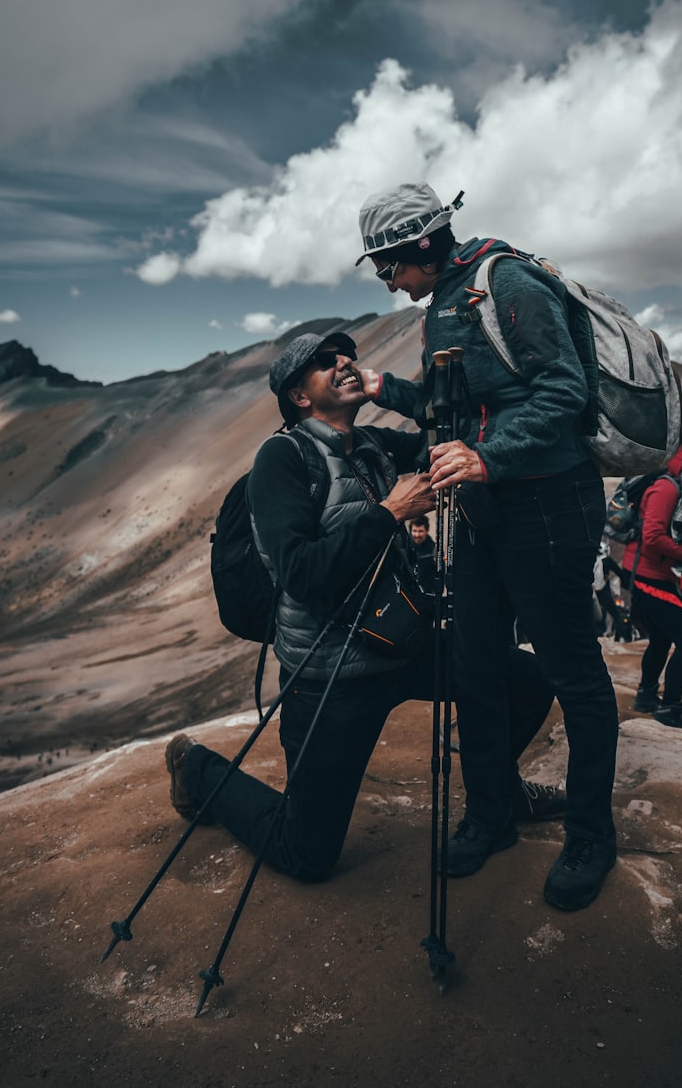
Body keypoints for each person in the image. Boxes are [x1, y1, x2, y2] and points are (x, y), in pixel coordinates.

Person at [165, 331, 561, 883]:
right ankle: (197, 768)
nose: (344, 361)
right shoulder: (281, 458)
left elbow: (448, 437)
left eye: (346, 355)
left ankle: (498, 792)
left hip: (401, 643)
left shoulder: (371, 443)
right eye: (325, 362)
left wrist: (410, 390)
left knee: (528, 681)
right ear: (299, 396)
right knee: (307, 854)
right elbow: (302, 574)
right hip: (331, 672)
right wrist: (391, 511)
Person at [355, 183, 618, 912]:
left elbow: (563, 391)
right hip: (481, 509)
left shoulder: (508, 282)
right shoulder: (443, 300)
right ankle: (490, 816)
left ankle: (591, 835)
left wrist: (486, 456)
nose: (388, 281)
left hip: (547, 503)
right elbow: (452, 408)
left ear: (421, 244)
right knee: (475, 666)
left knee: (573, 671)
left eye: (388, 266)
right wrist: (383, 388)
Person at [624, 433, 682, 729]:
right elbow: (652, 538)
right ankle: (669, 709)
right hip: (646, 573)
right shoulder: (667, 489)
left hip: (651, 572)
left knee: (663, 638)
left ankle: (647, 697)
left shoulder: (679, 487)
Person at [593, 541, 625, 638]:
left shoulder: (591, 559)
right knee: (615, 613)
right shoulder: (606, 560)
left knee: (597, 613)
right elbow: (619, 572)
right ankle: (621, 635)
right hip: (603, 590)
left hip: (592, 591)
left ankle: (598, 633)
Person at [408, 515, 437, 592]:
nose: (417, 535)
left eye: (420, 531)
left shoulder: (434, 550)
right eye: (414, 531)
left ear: (427, 530)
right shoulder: (404, 547)